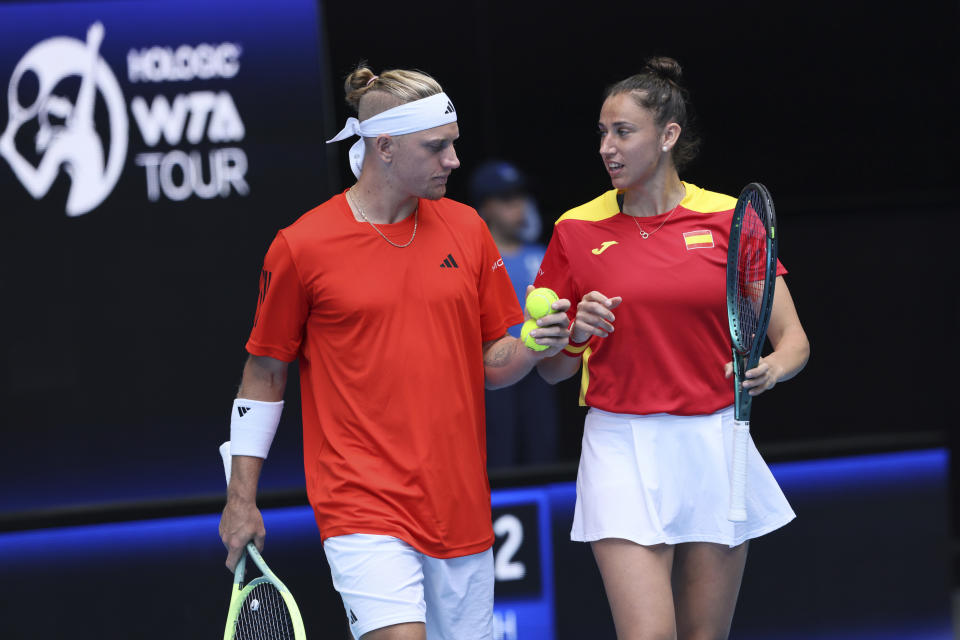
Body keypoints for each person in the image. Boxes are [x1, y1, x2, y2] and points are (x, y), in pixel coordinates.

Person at [217, 64, 571, 640]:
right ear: (383, 146)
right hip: (361, 505)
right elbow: (264, 374)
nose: (453, 161)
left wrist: (531, 346)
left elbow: (492, 366)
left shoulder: (468, 229)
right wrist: (240, 500)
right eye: (437, 148)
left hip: (461, 507)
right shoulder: (301, 246)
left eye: (453, 146)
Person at [533, 57, 810, 639]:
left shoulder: (732, 220)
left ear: (668, 136)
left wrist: (772, 370)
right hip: (619, 442)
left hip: (714, 439)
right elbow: (554, 371)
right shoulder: (574, 230)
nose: (607, 147)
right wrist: (576, 333)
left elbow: (793, 341)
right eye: (602, 134)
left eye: (623, 132)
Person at [469, 161, 558, 467]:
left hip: (538, 372)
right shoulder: (473, 258)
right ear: (487, 206)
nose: (518, 206)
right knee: (497, 456)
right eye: (507, 199)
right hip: (492, 373)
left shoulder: (542, 253)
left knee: (542, 452)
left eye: (520, 196)